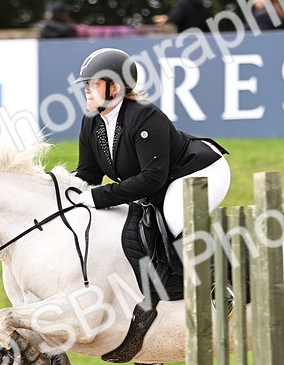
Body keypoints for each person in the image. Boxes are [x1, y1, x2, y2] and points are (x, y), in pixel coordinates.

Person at [72, 48, 230, 238]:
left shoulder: (145, 116)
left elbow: (152, 177)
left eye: (94, 83)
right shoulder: (90, 121)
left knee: (173, 221)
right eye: (86, 83)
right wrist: (58, 186)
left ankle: (220, 256)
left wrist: (100, 196)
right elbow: (89, 173)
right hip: (163, 181)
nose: (86, 89)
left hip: (200, 171)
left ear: (114, 88)